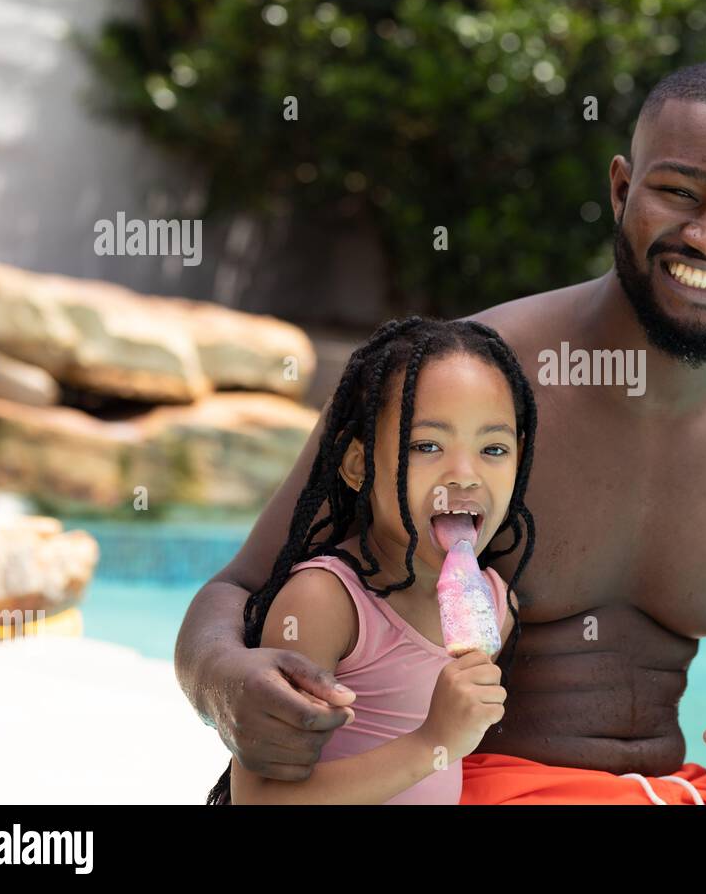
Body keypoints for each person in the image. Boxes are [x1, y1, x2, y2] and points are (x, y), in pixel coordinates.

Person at [177, 60, 706, 804]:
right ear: (622, 189)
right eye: (680, 192)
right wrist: (223, 683)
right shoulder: (453, 388)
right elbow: (240, 588)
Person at [208, 318, 536, 803]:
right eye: (427, 446)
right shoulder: (324, 602)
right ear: (360, 465)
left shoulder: (495, 604)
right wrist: (434, 742)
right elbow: (262, 798)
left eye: (493, 449)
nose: (464, 475)